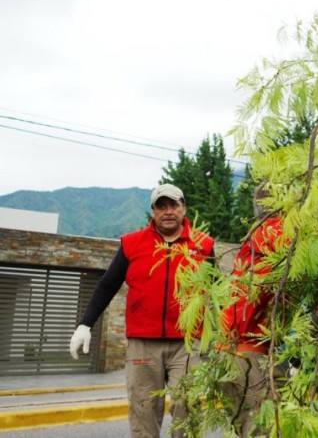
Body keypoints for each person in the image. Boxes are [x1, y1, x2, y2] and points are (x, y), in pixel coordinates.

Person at [68, 183, 215, 438]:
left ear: (184, 208)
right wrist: (85, 324)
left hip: (188, 346)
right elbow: (107, 285)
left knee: (187, 410)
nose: (168, 211)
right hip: (143, 346)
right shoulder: (132, 244)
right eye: (161, 206)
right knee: (143, 412)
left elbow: (218, 291)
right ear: (153, 211)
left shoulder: (203, 245)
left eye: (173, 205)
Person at [218, 182, 288, 436]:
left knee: (249, 428)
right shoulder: (275, 232)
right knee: (263, 430)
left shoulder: (252, 240)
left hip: (231, 351)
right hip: (252, 355)